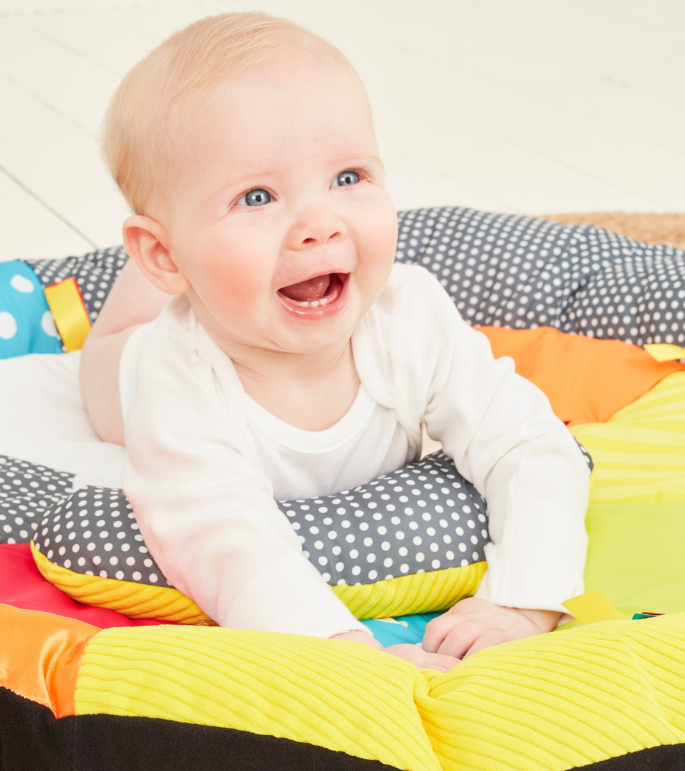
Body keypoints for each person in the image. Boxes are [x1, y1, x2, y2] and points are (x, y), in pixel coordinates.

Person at [79, 12, 589, 672]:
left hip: (199, 275)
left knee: (223, 271)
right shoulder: (175, 375)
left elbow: (531, 444)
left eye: (348, 178)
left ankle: (207, 245)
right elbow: (217, 532)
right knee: (124, 334)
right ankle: (155, 277)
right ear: (161, 252)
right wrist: (336, 651)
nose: (319, 224)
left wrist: (523, 603)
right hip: (126, 364)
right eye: (257, 196)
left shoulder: (410, 317)